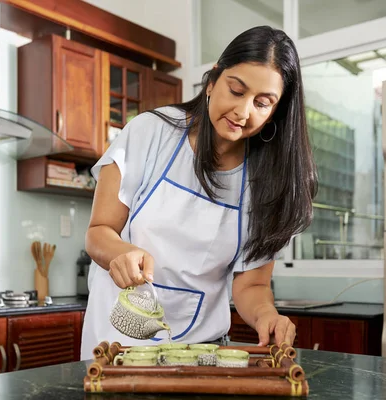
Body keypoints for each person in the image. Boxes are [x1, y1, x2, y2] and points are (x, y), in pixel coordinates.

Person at [79, 25, 317, 359]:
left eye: (262, 104)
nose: (243, 112)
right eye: (236, 90)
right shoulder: (150, 133)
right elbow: (99, 232)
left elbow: (251, 285)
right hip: (117, 346)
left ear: (276, 113)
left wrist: (267, 316)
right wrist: (119, 252)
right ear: (212, 81)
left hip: (201, 353)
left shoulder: (266, 183)